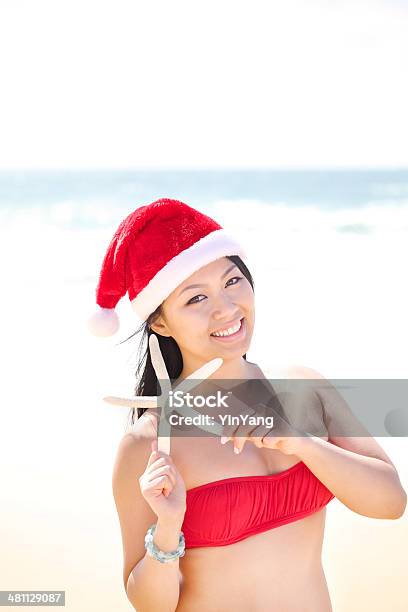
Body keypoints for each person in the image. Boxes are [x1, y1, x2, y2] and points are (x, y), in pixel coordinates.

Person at [88, 198, 407, 612]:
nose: (226, 308)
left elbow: (390, 503)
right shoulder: (149, 442)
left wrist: (304, 444)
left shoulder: (304, 388)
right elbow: (153, 606)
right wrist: (167, 529)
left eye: (232, 281)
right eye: (196, 299)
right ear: (161, 323)